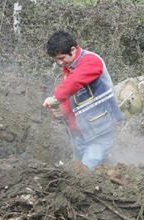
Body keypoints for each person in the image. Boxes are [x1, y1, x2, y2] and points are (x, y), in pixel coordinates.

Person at [43, 31, 122, 171]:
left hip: (100, 133)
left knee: (84, 174)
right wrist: (62, 111)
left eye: (61, 58)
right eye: (57, 59)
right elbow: (73, 96)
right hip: (81, 135)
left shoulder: (91, 60)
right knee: (78, 174)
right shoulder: (70, 67)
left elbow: (74, 82)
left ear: (73, 50)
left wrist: (55, 99)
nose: (59, 63)